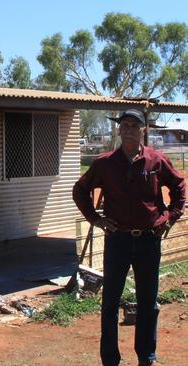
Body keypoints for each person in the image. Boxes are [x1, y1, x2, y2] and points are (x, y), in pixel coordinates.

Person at [73, 109, 186, 366]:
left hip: (148, 241)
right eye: (125, 125)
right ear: (119, 129)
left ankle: (147, 357)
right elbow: (80, 190)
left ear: (143, 130)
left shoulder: (156, 161)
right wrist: (95, 218)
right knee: (110, 303)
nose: (129, 130)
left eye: (135, 125)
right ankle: (110, 360)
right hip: (118, 241)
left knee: (148, 303)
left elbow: (179, 186)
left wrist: (170, 216)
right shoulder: (104, 163)